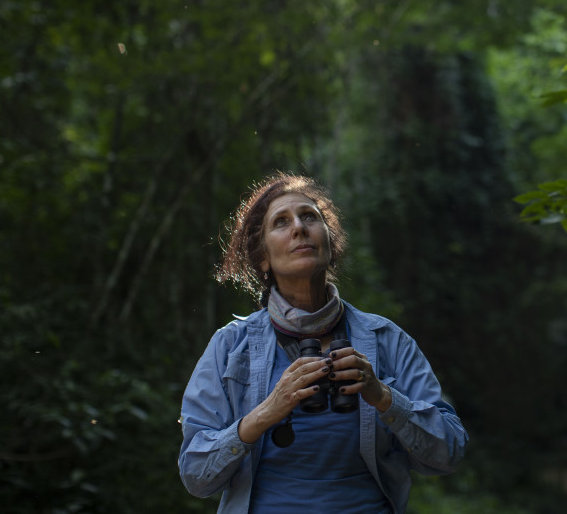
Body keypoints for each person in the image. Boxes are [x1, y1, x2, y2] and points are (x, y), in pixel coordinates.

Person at [178, 173, 467, 513]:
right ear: (263, 260)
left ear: (330, 245)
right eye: (281, 222)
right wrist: (266, 413)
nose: (299, 227)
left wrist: (381, 395)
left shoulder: (387, 339)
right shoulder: (230, 346)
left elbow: (450, 452)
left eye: (309, 216)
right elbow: (196, 476)